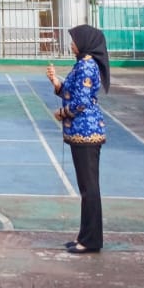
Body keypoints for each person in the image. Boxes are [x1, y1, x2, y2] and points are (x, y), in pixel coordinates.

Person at [48, 25, 108, 253]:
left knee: (89, 188)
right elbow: (72, 92)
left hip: (86, 131)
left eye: (74, 40)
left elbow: (80, 101)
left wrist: (62, 113)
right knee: (86, 187)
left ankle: (91, 240)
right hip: (82, 131)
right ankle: (85, 235)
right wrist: (56, 83)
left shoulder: (86, 65)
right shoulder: (82, 63)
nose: (72, 44)